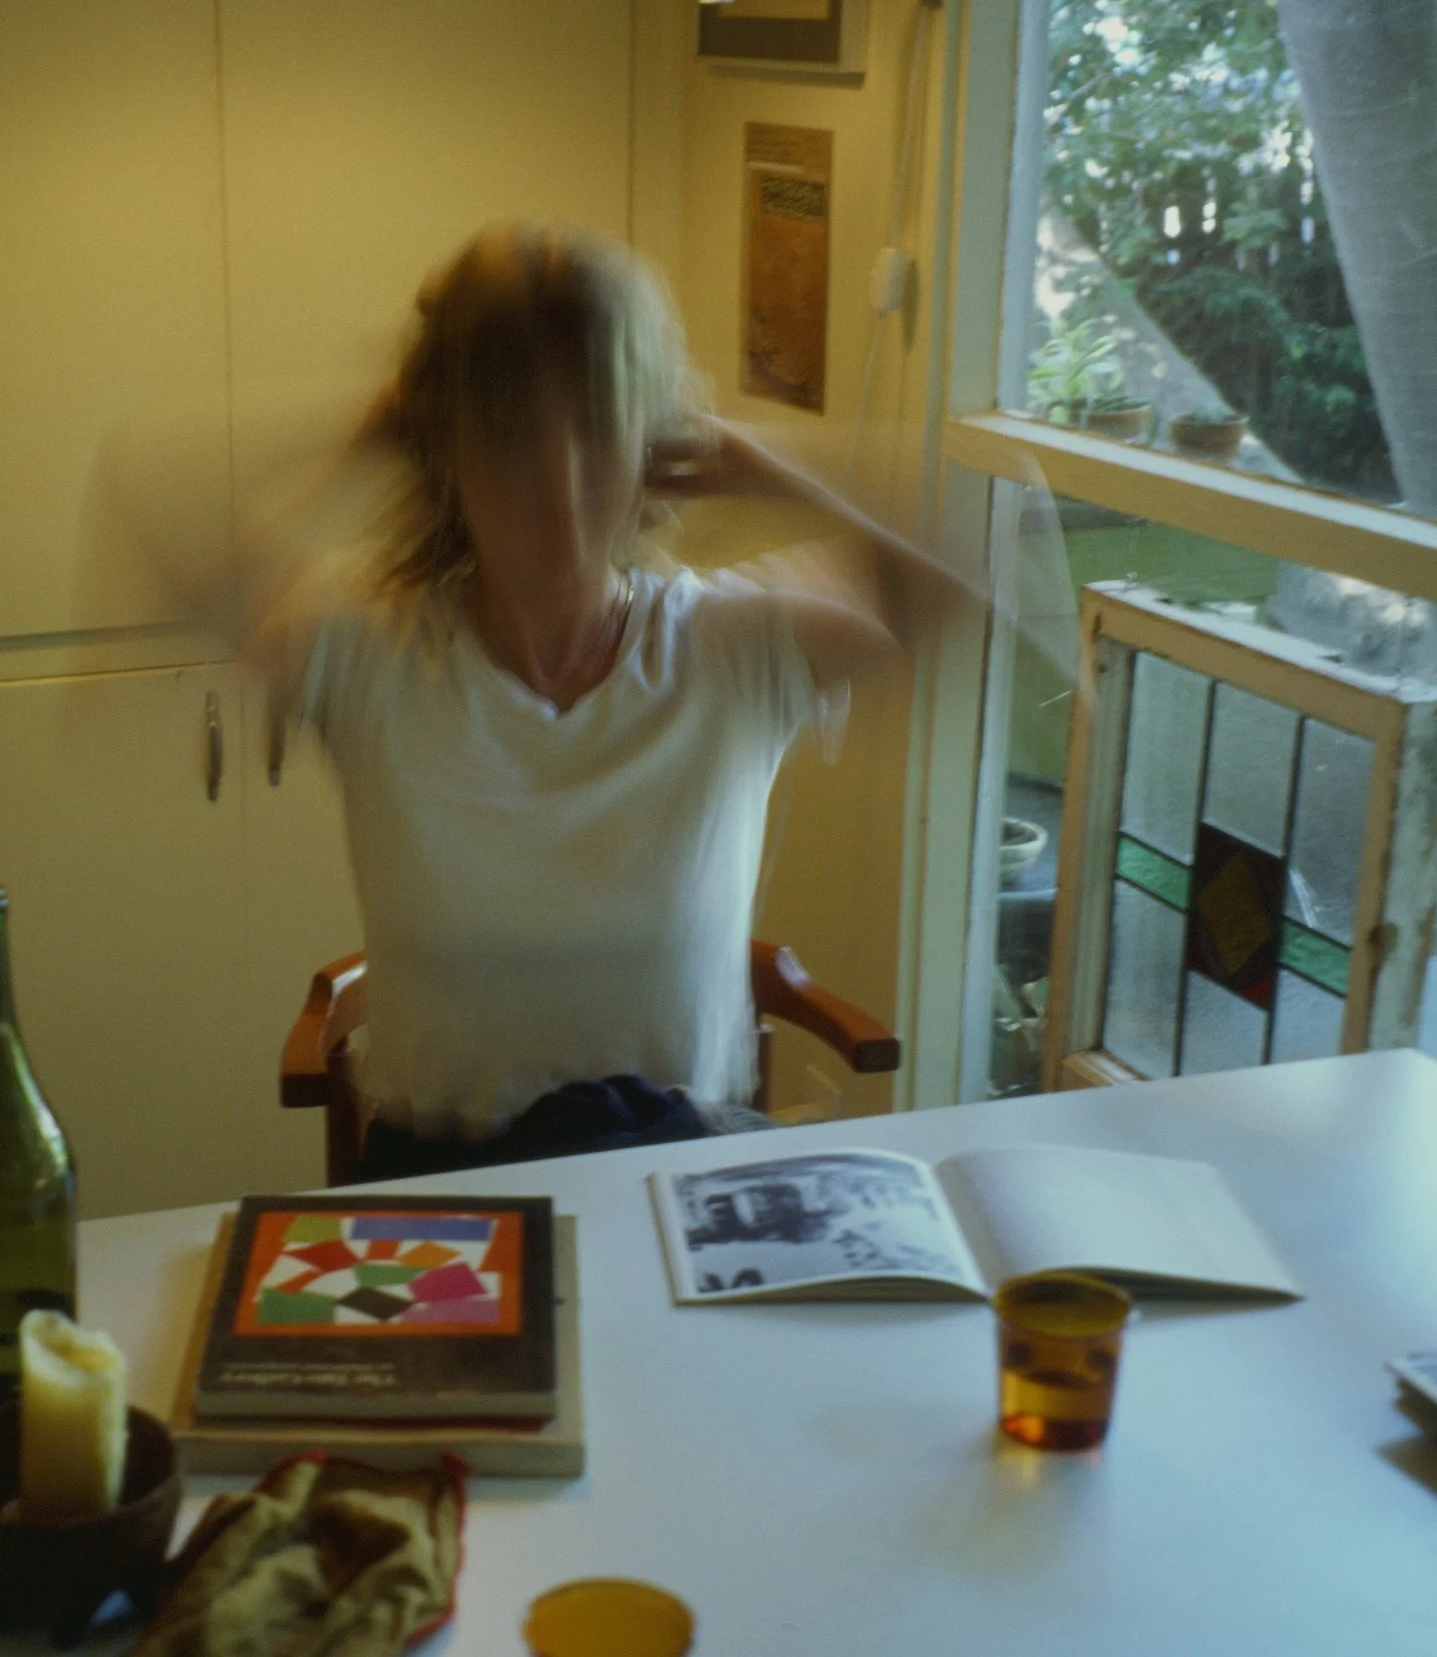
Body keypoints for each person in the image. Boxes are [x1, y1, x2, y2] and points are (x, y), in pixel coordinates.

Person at [176, 223, 959, 1179]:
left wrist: (777, 467)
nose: (560, 489)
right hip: (447, 1189)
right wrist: (360, 438)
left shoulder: (732, 647)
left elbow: (958, 584)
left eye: (598, 429)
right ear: (445, 452)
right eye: (510, 437)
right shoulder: (366, 652)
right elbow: (160, 520)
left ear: (653, 445)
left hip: (684, 1173)